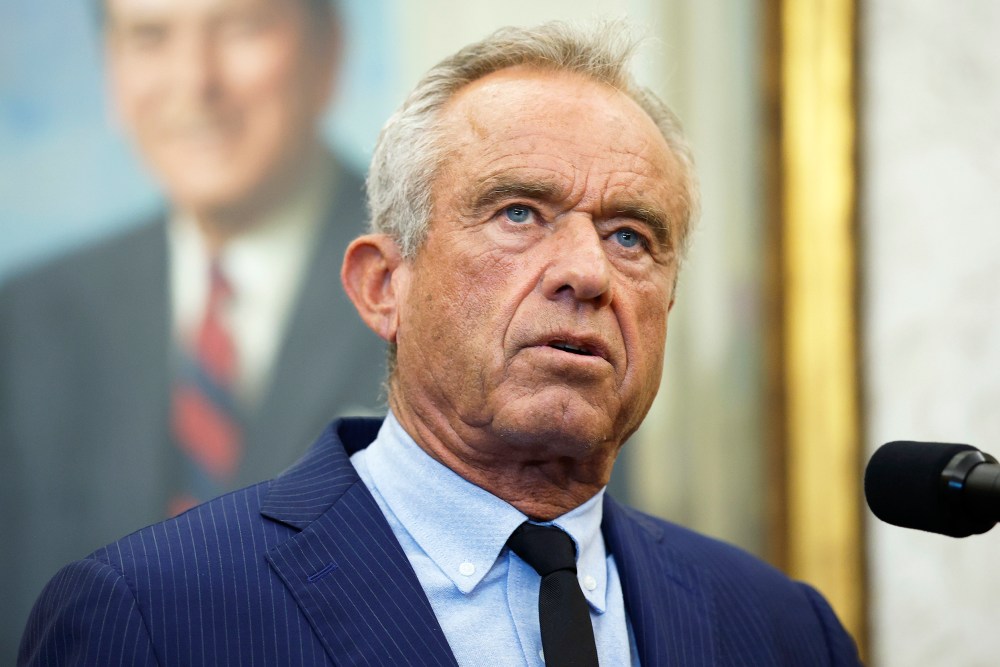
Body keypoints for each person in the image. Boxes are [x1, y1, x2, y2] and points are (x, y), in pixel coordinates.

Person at [18, 22, 862, 666]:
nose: (587, 273)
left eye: (632, 236)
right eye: (519, 213)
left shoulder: (782, 630)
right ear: (384, 285)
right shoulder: (153, 614)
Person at [0, 0, 384, 658]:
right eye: (150, 37)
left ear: (330, 51)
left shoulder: (451, 298)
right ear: (110, 71)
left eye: (241, 28)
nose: (194, 82)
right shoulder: (25, 324)